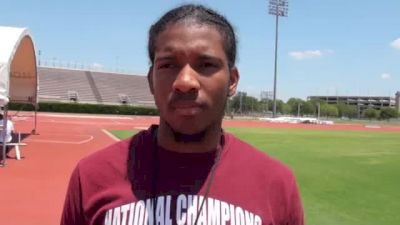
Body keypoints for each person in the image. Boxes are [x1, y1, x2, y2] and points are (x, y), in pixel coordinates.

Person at [61, 4, 304, 225]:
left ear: (232, 81)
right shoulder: (92, 175)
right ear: (151, 80)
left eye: (206, 64)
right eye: (168, 65)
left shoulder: (276, 183)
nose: (185, 82)